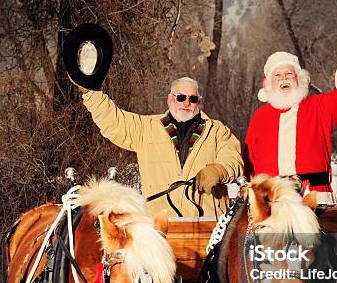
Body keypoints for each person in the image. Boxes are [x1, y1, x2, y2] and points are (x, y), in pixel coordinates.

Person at [78, 77, 242, 216]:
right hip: (159, 227)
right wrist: (91, 95)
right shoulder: (146, 128)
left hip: (207, 225)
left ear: (198, 102)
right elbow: (115, 122)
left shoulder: (217, 130)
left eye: (192, 99)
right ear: (170, 99)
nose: (186, 103)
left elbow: (233, 159)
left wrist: (218, 170)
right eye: (180, 98)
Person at [244, 31, 337, 205]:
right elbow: (250, 163)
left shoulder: (319, 106)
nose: (284, 78)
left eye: (289, 74)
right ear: (269, 84)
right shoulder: (259, 117)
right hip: (271, 201)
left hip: (314, 199)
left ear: (299, 79)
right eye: (277, 75)